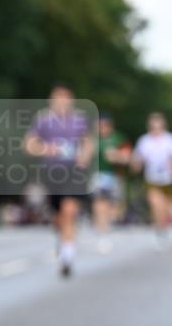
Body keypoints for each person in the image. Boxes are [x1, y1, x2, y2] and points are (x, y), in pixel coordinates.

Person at [24, 85, 94, 277]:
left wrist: (84, 157)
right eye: (58, 99)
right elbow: (29, 144)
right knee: (58, 217)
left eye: (66, 99)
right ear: (51, 101)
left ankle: (67, 258)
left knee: (69, 211)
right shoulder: (43, 120)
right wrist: (45, 149)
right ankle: (63, 240)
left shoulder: (79, 120)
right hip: (52, 172)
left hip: (73, 171)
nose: (62, 103)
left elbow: (88, 142)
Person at [130, 112, 172, 247]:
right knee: (156, 206)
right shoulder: (145, 140)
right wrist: (135, 165)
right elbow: (138, 158)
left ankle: (165, 228)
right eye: (153, 125)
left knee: (167, 208)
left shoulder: (169, 139)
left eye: (158, 125)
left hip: (168, 179)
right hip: (152, 178)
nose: (156, 128)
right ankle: (159, 232)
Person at [91, 114, 130, 252]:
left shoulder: (119, 138)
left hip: (115, 176)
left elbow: (127, 158)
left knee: (114, 208)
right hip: (98, 176)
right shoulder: (93, 140)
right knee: (100, 204)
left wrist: (116, 156)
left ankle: (107, 226)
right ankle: (102, 234)